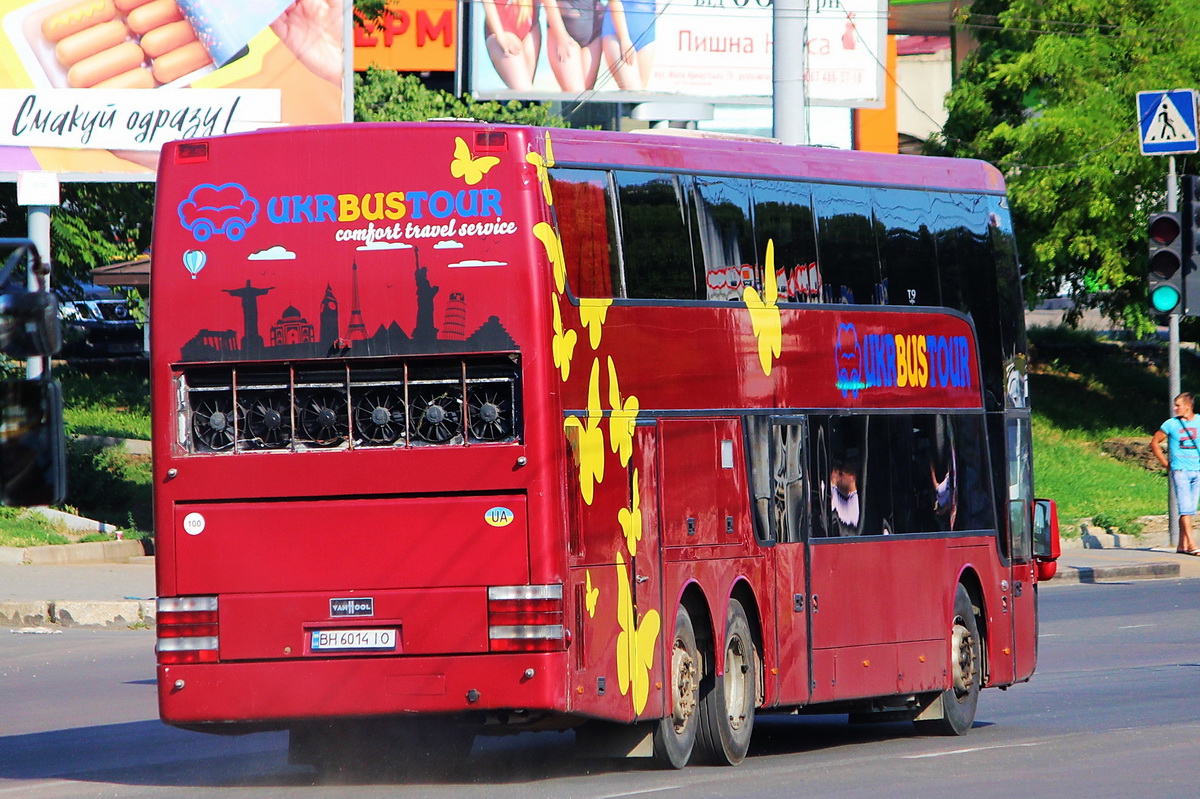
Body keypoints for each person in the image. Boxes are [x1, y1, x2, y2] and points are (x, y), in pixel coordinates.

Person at [1151, 392, 1200, 555]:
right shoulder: (1171, 424)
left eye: (1178, 405)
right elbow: (1155, 443)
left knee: (1191, 509)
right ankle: (1192, 545)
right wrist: (1166, 463)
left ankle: (1181, 545)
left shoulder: (1199, 421)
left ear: (1188, 406)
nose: (1174, 408)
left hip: (1197, 470)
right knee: (1186, 508)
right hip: (1180, 470)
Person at [542, 0, 604, 91]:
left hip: (593, 32)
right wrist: (561, 36)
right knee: (574, 92)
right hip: (564, 31)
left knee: (587, 94)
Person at [483, 0, 542, 90]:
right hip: (503, 30)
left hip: (529, 25)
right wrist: (500, 35)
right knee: (523, 89)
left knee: (526, 92)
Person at [601, 0, 655, 90]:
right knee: (632, 91)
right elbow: (614, 2)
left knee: (641, 94)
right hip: (618, 33)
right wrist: (624, 38)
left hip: (646, 34)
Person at [830, 458, 860, 536]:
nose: (840, 478)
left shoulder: (855, 502)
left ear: (852, 478)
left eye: (841, 475)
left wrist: (833, 483)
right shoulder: (850, 497)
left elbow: (834, 509)